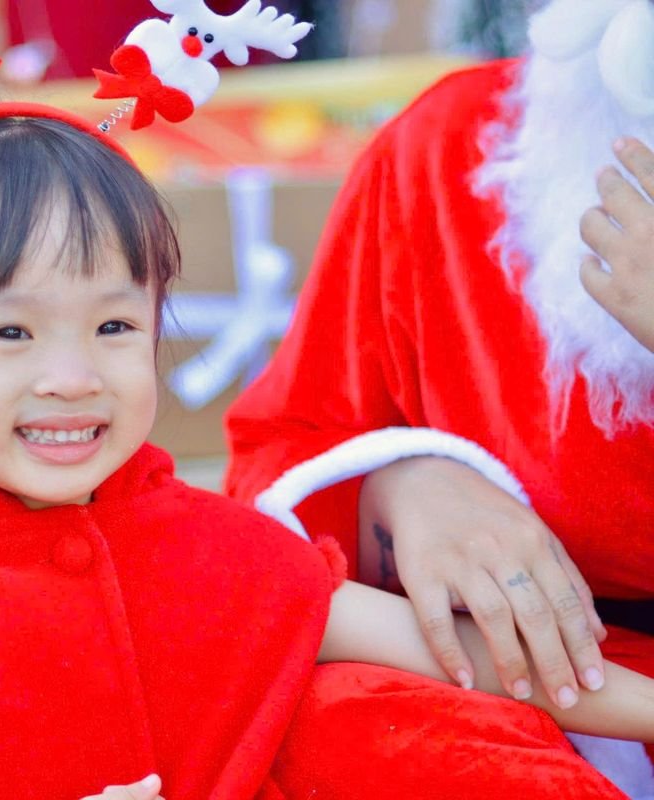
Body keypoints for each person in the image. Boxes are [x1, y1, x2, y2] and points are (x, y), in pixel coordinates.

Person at [0, 103, 653, 800]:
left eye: (114, 327)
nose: (71, 376)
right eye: (10, 332)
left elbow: (464, 654)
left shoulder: (213, 549)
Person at [223, 0, 654, 793]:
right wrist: (400, 481)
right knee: (335, 723)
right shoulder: (450, 144)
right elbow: (275, 451)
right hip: (511, 704)